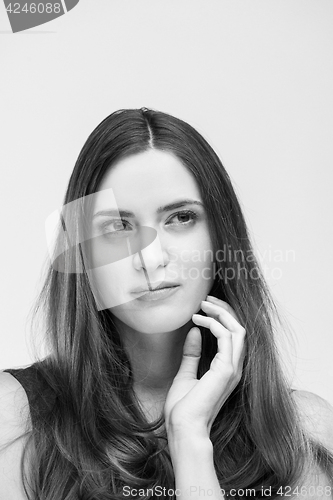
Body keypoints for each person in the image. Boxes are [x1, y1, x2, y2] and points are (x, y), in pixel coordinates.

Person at [0, 108, 332, 500]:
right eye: (119, 226)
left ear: (221, 236)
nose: (151, 258)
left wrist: (191, 441)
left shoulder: (302, 427)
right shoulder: (16, 417)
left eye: (180, 217)